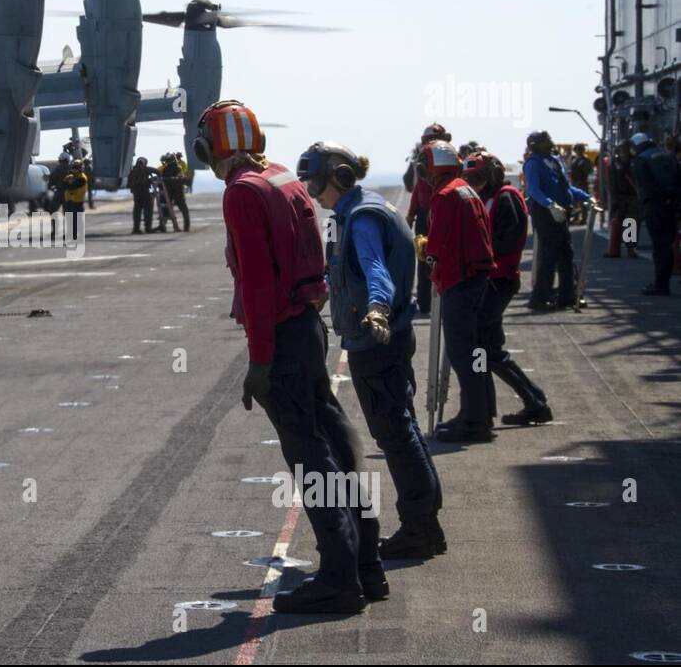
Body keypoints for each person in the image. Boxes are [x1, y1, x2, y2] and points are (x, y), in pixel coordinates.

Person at [203, 101, 381, 613]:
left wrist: (258, 362)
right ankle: (366, 565)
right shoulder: (282, 177)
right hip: (307, 327)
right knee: (336, 444)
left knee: (310, 457)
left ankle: (339, 578)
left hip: (281, 335)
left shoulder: (241, 193)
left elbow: (257, 283)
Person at [296, 142, 445, 561]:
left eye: (315, 182)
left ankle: (419, 528)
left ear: (338, 177)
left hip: (375, 341)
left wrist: (377, 307)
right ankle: (427, 525)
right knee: (405, 429)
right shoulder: (364, 206)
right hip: (391, 338)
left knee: (395, 435)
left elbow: (375, 268)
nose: (312, 191)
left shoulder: (361, 218)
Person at [463, 152, 553, 426]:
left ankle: (531, 400)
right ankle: (493, 405)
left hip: (499, 280)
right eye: (470, 179)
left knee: (485, 346)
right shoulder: (488, 198)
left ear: (491, 175)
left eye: (478, 178)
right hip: (489, 279)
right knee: (484, 346)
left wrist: (475, 252)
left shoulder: (506, 197)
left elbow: (511, 240)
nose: (474, 183)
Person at [419, 140, 497, 442]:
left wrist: (426, 253)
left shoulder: (445, 195)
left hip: (460, 281)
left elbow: (436, 245)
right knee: (475, 351)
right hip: (477, 278)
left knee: (462, 353)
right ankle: (480, 412)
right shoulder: (465, 189)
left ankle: (474, 422)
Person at [522, 130, 589, 310]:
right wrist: (550, 205)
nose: (550, 141)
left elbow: (565, 187)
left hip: (561, 213)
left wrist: (586, 197)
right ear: (536, 145)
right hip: (546, 213)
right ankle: (540, 298)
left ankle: (567, 295)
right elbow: (534, 190)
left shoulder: (554, 160)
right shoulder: (533, 164)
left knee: (566, 255)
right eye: (545, 140)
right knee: (548, 255)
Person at [405, 124, 451, 313]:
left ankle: (440, 299)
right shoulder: (423, 160)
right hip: (427, 215)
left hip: (442, 212)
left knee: (443, 257)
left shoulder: (449, 159)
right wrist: (411, 213)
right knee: (425, 258)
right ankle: (426, 301)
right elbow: (417, 189)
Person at [628, 132, 680, 295]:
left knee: (659, 245)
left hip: (651, 205)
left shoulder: (641, 159)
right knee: (668, 243)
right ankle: (663, 281)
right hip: (672, 206)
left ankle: (661, 284)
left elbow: (645, 185)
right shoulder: (668, 155)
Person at [605, 142, 641, 259]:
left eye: (626, 150)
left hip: (632, 197)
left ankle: (630, 248)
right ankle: (614, 248)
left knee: (631, 223)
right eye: (622, 151)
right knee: (617, 223)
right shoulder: (614, 165)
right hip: (620, 197)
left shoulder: (635, 163)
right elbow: (611, 184)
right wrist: (614, 200)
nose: (624, 153)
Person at [161, 153, 190, 232]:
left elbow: (179, 178)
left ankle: (162, 225)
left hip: (171, 191)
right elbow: (181, 178)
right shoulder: (177, 168)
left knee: (167, 208)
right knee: (183, 209)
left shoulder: (170, 169)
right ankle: (186, 226)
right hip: (176, 191)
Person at [61, 159, 89, 241]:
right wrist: (66, 182)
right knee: (69, 219)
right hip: (69, 201)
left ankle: (75, 235)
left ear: (81, 168)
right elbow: (62, 185)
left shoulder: (82, 178)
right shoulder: (70, 177)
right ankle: (70, 234)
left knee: (76, 220)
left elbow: (71, 186)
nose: (74, 169)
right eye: (73, 167)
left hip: (77, 202)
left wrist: (67, 183)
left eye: (76, 167)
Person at [127, 157, 156, 234]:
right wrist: (151, 180)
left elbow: (128, 183)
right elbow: (157, 171)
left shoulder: (132, 171)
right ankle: (148, 228)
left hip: (136, 194)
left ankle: (136, 228)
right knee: (148, 210)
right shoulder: (146, 169)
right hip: (145, 193)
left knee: (137, 211)